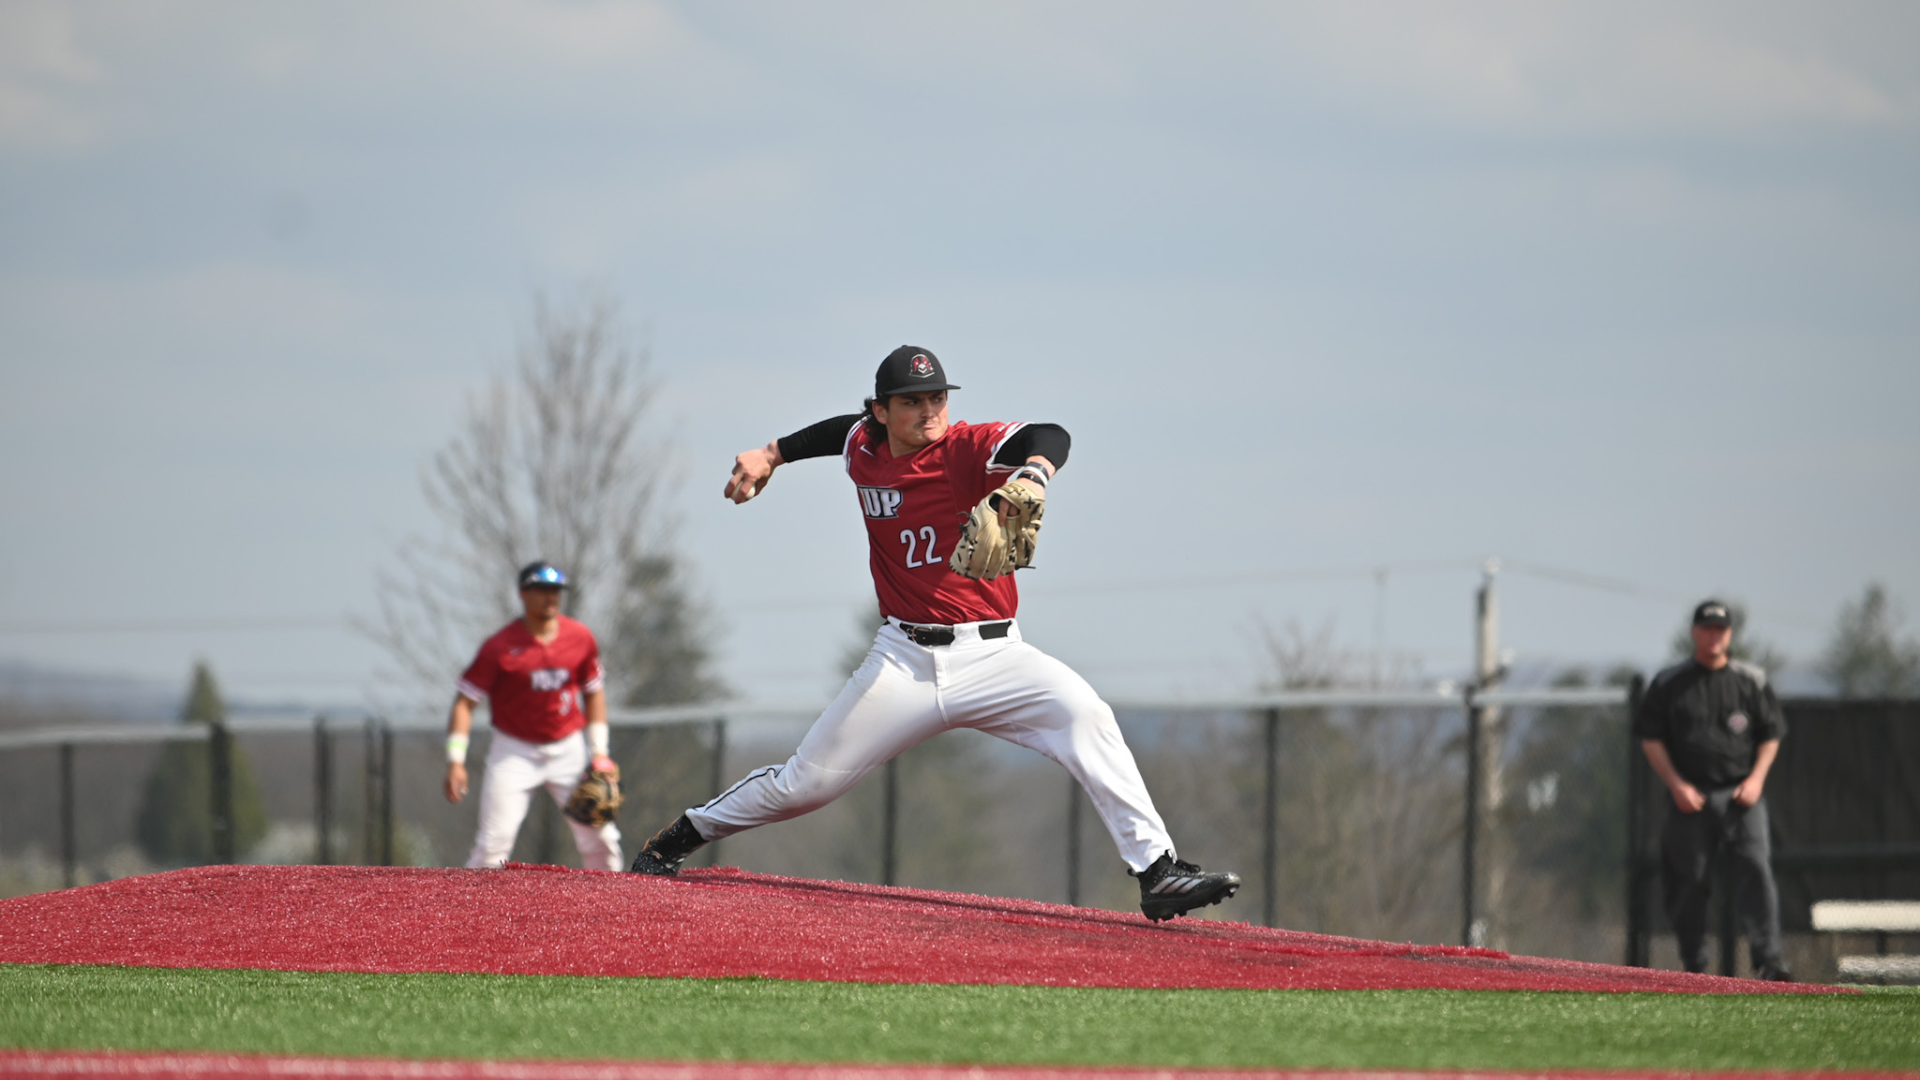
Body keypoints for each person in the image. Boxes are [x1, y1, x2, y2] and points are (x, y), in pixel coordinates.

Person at [626, 345, 1241, 921]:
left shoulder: (965, 449)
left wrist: (1033, 473)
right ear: (881, 411)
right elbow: (832, 430)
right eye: (913, 402)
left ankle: (1156, 872)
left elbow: (1049, 434)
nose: (929, 412)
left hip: (995, 653)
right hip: (903, 661)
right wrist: (770, 453)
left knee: (1085, 714)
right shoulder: (862, 444)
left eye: (937, 398)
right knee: (804, 785)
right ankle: (680, 836)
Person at [1633, 599, 1791, 980]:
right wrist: (1676, 785)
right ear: (1694, 632)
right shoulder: (1670, 683)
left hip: (1741, 796)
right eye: (1706, 628)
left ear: (1730, 634)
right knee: (1689, 880)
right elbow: (1651, 738)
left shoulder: (1749, 680)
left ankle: (1769, 961)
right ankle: (1694, 963)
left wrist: (1755, 780)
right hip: (1691, 797)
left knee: (1756, 870)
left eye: (1720, 629)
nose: (1713, 636)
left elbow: (1771, 735)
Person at [444, 562, 624, 871]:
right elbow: (465, 703)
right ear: (523, 595)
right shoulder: (500, 647)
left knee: (602, 840)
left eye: (555, 591)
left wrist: (600, 754)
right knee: (492, 845)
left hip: (568, 748)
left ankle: (612, 913)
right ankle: (470, 913)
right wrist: (455, 760)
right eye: (542, 590)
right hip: (515, 751)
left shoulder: (580, 637)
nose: (551, 597)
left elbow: (593, 693)